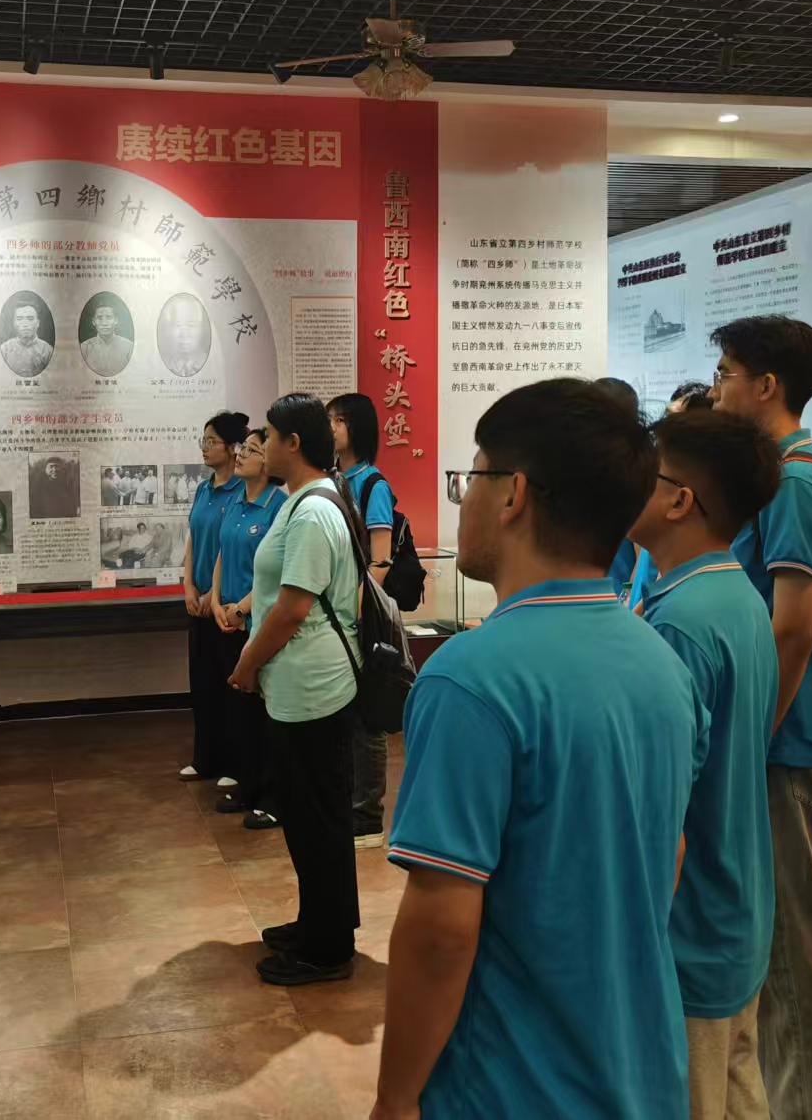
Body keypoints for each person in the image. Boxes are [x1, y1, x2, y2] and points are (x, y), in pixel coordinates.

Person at [373, 379, 705, 1117]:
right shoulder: (662, 662)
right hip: (643, 1072)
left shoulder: (468, 678)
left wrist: (394, 1099)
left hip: (512, 1087)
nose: (464, 497)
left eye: (471, 476)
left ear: (512, 493)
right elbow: (671, 853)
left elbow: (440, 928)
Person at [710, 314, 812, 1117]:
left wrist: (749, 736)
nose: (718, 388)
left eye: (727, 373)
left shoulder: (796, 481)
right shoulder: (780, 474)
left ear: (767, 385)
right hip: (774, 740)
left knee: (799, 954)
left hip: (784, 744)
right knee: (780, 947)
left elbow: (793, 627)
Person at [630, 409, 782, 1120]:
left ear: (678, 500)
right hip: (737, 910)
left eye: (644, 473)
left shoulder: (680, 622)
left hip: (692, 927)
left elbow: (666, 801)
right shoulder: (736, 595)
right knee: (738, 1089)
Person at [230, 392, 363, 986]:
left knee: (318, 819)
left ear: (294, 444)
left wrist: (247, 663)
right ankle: (318, 923)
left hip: (314, 685)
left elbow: (292, 607)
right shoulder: (303, 501)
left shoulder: (312, 512)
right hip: (300, 683)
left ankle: (328, 948)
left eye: (269, 435)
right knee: (309, 817)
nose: (260, 445)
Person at [210, 427, 287, 829]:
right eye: (243, 448)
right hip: (227, 617)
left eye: (252, 450)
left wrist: (240, 609)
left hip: (256, 621)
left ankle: (272, 794)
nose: (240, 455)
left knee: (262, 713)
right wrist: (215, 600)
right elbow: (222, 553)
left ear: (268, 463)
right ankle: (248, 785)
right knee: (238, 711)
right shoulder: (236, 501)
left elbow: (276, 574)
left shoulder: (279, 507)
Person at [328, 391, 394, 848]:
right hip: (335, 614)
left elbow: (381, 561)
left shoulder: (373, 485)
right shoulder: (331, 479)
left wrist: (352, 606)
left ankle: (368, 817)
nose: (331, 427)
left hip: (361, 616)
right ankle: (349, 804)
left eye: (338, 420)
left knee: (367, 719)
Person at [179, 412, 248, 787]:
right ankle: (205, 759)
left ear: (233, 447)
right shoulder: (204, 488)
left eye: (211, 441)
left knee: (230, 686)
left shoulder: (241, 490)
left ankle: (235, 765)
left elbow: (227, 546)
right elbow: (193, 538)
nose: (205, 448)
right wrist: (188, 585)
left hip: (225, 604)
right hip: (198, 602)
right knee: (202, 683)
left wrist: (213, 595)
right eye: (203, 441)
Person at [598, 377, 656, 605]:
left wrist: (628, 604)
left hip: (616, 603)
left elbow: (644, 553)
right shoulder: (595, 469)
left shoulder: (635, 473)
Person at [160, 294, 211, 378]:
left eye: (191, 325)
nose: (184, 334)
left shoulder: (212, 363)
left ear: (201, 328)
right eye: (178, 325)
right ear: (169, 329)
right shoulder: (160, 363)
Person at [0, 300, 54, 377]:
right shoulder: (4, 350)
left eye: (30, 319)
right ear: (14, 323)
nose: (25, 324)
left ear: (38, 323)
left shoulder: (47, 351)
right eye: (19, 319)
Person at [80, 301, 134, 376]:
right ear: (93, 321)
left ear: (116, 320)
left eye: (109, 317)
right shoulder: (84, 347)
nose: (104, 323)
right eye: (99, 318)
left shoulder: (128, 347)